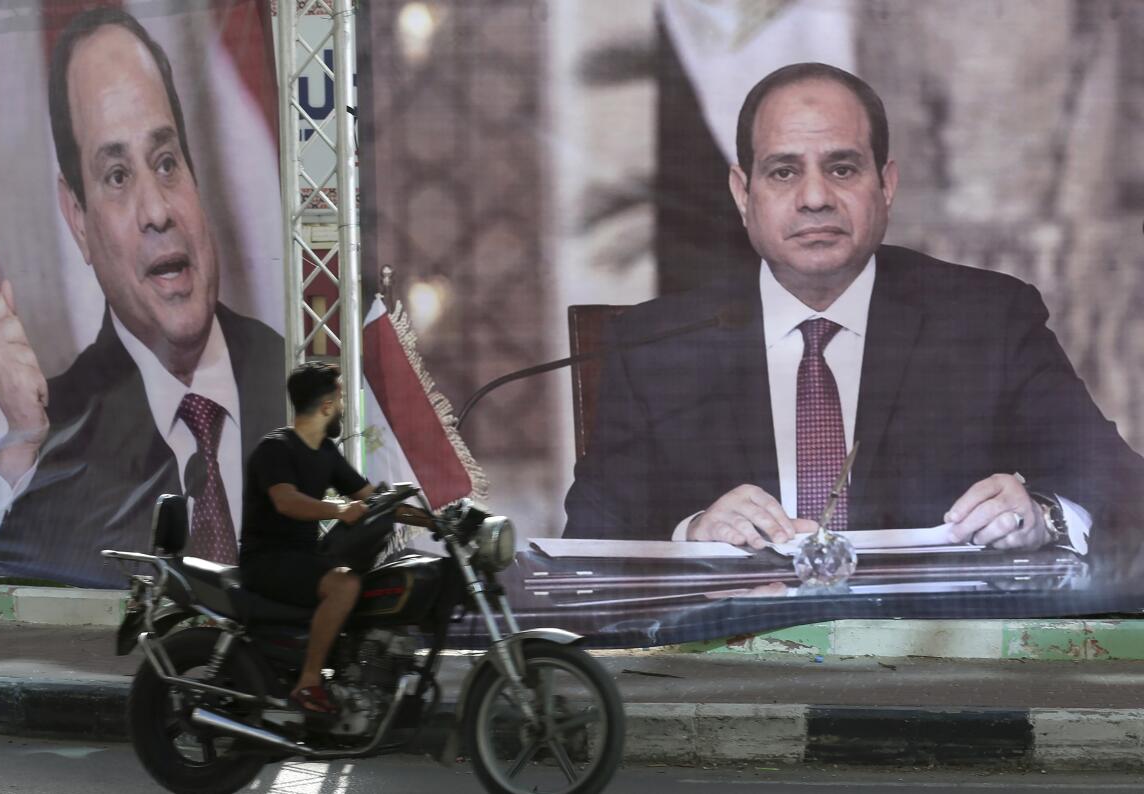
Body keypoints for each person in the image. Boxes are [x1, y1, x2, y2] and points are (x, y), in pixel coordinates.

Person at [563, 63, 1144, 572]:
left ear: (885, 185)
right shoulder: (657, 346)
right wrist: (693, 536)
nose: (815, 198)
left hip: (939, 660)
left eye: (842, 168)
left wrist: (1044, 517)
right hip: (726, 662)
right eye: (784, 172)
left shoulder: (986, 321)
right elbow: (588, 539)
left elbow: (1122, 486)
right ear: (743, 194)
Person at [0, 8, 284, 587]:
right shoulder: (55, 435)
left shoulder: (294, 374)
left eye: (167, 162)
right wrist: (20, 448)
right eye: (118, 177)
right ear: (77, 219)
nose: (158, 212)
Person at [240, 362, 428, 714]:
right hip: (266, 561)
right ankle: (308, 684)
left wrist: (437, 521)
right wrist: (339, 510)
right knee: (345, 585)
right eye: (340, 398)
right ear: (326, 406)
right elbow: (286, 501)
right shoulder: (276, 448)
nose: (343, 406)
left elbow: (373, 498)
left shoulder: (325, 453)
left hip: (303, 558)